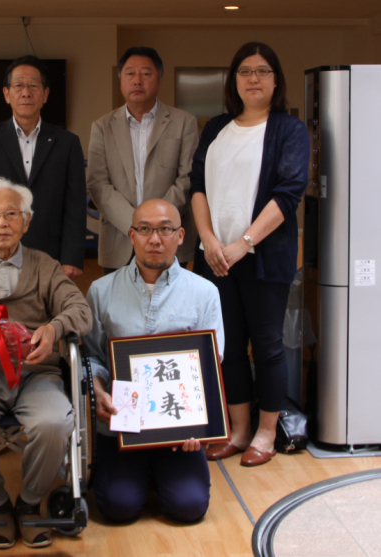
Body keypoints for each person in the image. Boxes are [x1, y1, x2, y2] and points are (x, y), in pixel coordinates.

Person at [0, 177, 92, 549]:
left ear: (27, 221)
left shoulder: (44, 265)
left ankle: (27, 503)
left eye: (12, 214)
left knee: (55, 421)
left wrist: (54, 329)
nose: (2, 223)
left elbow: (80, 309)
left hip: (34, 374)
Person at [189, 42, 309, 467]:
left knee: (268, 345)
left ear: (276, 80)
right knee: (229, 347)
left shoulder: (288, 130)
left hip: (261, 258)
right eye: (244, 71)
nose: (253, 78)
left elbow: (288, 194)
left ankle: (266, 432)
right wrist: (209, 240)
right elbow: (197, 187)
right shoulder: (217, 126)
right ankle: (238, 431)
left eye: (262, 71)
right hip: (216, 259)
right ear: (233, 81)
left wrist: (244, 244)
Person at [83, 198, 224, 523]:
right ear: (132, 236)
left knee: (188, 508)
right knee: (117, 508)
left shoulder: (204, 293)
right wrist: (100, 390)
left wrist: (199, 424)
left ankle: (160, 475)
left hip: (180, 433)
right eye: (145, 230)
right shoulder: (101, 290)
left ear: (181, 235)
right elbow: (92, 355)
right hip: (122, 425)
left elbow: (210, 363)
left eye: (165, 229)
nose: (155, 239)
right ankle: (141, 476)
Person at [0, 55, 87, 279]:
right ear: (6, 94)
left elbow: (75, 204)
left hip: (53, 255)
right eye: (18, 85)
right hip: (0, 252)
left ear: (45, 94)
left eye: (33, 86)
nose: (26, 93)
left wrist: (71, 258)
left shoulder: (67, 143)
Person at [87, 47, 199, 273]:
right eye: (130, 74)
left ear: (158, 79)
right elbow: (98, 184)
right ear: (121, 80)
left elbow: (187, 178)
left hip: (170, 241)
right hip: (120, 239)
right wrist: (138, 226)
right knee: (121, 308)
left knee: (172, 307)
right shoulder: (102, 127)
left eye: (146, 74)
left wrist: (156, 225)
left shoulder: (184, 122)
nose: (137, 80)